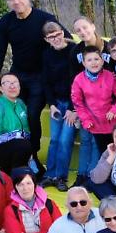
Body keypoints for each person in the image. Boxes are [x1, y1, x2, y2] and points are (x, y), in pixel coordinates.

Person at [0, 0, 61, 170]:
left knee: (32, 115)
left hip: (40, 76)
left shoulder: (44, 18)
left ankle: (32, 157)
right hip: (18, 75)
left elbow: (63, 39)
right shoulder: (6, 22)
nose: (16, 2)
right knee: (14, 115)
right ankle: (15, 157)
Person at [71, 17, 114, 186]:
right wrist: (75, 109)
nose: (82, 32)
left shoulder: (108, 47)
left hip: (110, 108)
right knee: (87, 140)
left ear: (93, 26)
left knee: (107, 146)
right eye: (78, 30)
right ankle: (84, 176)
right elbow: (74, 80)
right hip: (88, 107)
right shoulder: (76, 51)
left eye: (85, 27)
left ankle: (100, 177)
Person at [41, 21, 79, 190]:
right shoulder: (46, 55)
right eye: (51, 37)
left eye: (57, 34)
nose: (55, 39)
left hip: (73, 103)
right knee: (54, 140)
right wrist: (52, 104)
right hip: (57, 103)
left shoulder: (73, 51)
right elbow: (46, 82)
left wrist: (73, 108)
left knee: (65, 139)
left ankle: (61, 177)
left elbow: (77, 82)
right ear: (46, 39)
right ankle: (50, 174)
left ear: (63, 33)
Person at [72, 46, 116, 156]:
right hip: (95, 126)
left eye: (96, 59)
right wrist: (86, 120)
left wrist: (115, 110)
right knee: (105, 156)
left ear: (102, 61)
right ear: (83, 63)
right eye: (89, 60)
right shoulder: (78, 80)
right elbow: (77, 102)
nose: (93, 63)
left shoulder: (110, 76)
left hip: (114, 125)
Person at [0, 72, 34, 176]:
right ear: (1, 88)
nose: (12, 86)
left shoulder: (20, 104)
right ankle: (16, 179)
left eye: (15, 83)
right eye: (7, 83)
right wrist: (17, 136)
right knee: (23, 145)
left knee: (26, 145)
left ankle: (14, 176)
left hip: (15, 146)